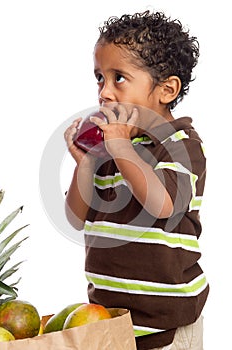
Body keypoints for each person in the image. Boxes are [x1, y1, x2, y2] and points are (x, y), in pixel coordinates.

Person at [64, 10, 209, 350]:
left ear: (166, 90)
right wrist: (85, 164)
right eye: (100, 78)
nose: (104, 92)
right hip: (111, 320)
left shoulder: (181, 146)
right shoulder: (110, 148)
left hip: (168, 324)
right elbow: (75, 217)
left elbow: (162, 205)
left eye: (119, 78)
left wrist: (119, 146)